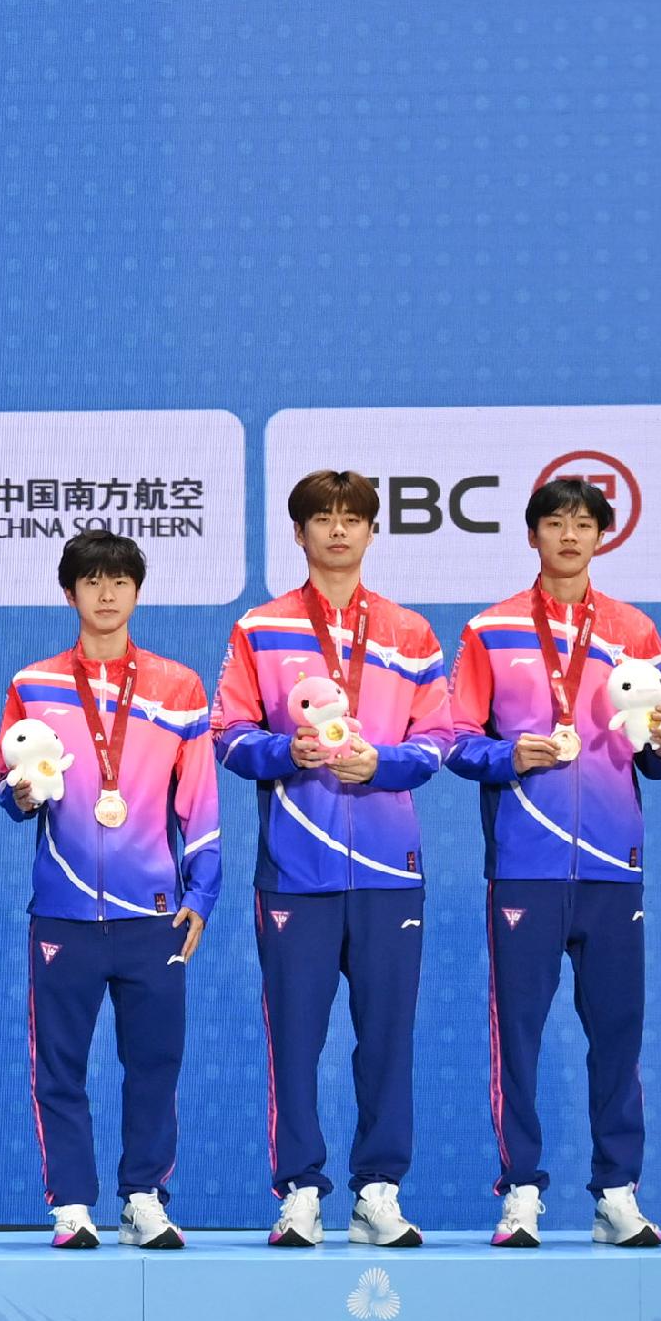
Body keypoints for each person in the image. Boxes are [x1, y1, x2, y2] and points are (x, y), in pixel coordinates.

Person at [438, 477, 661, 1250]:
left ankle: (616, 1192)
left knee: (618, 1035)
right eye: (555, 522)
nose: (570, 535)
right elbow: (451, 742)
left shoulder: (635, 630)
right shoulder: (491, 629)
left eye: (584, 523)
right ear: (533, 535)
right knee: (520, 1037)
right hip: (526, 867)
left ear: (602, 536)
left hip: (614, 867)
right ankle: (520, 1194)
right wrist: (511, 755)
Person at [215, 468, 453, 1249]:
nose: (339, 530)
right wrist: (291, 750)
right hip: (296, 872)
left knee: (387, 1036)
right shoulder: (261, 628)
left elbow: (439, 740)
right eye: (323, 517)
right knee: (295, 1038)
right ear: (299, 532)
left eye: (353, 517)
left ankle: (378, 1191)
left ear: (373, 532)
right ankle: (300, 1192)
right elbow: (229, 738)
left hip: (389, 870)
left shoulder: (410, 632)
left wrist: (378, 764)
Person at [0, 530, 218, 1251]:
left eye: (120, 580)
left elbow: (202, 802)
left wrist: (202, 895)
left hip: (153, 914)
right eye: (91, 581)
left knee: (154, 1064)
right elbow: (7, 787)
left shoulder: (178, 687)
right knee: (59, 1066)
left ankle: (144, 1196)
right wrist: (20, 794)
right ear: (70, 594)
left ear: (137, 591)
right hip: (61, 914)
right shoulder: (34, 685)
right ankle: (72, 1203)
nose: (107, 593)